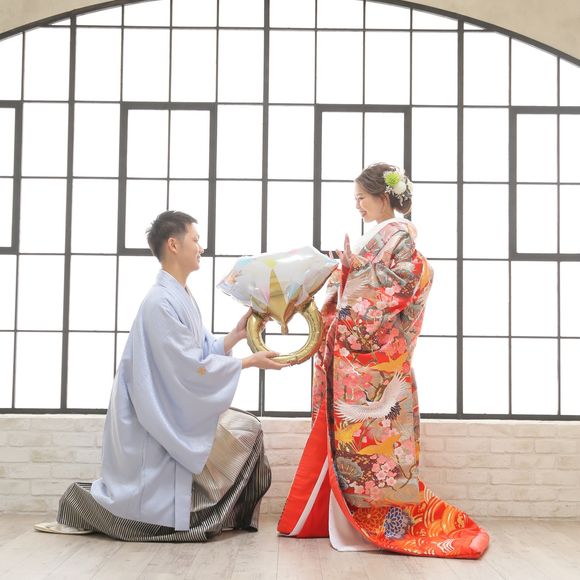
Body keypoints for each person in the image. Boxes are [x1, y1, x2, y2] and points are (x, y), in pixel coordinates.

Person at [277, 163, 489, 558]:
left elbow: (403, 283)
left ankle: (377, 521)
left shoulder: (399, 237)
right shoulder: (379, 236)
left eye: (362, 197)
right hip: (355, 358)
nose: (357, 205)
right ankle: (344, 518)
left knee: (375, 445)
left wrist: (355, 273)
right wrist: (343, 273)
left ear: (384, 197)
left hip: (372, 362)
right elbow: (359, 283)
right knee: (351, 441)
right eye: (356, 198)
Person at [35, 210, 286, 541]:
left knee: (249, 430)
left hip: (166, 405)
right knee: (151, 500)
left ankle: (215, 515)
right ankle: (114, 513)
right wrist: (248, 362)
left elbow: (197, 352)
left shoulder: (178, 295)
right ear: (173, 245)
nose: (201, 247)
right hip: (151, 415)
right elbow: (186, 368)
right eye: (195, 239)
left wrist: (235, 337)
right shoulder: (160, 302)